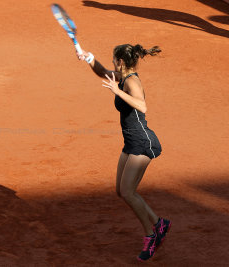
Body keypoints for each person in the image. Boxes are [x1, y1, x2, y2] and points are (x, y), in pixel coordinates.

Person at [77, 44, 171, 261]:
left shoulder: (131, 81)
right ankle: (159, 223)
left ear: (120, 61)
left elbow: (142, 106)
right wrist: (89, 57)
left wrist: (118, 92)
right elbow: (102, 72)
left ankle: (151, 236)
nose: (111, 62)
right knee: (122, 190)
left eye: (113, 59)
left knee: (128, 192)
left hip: (142, 142)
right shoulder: (122, 75)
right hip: (130, 142)